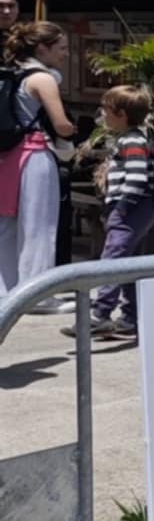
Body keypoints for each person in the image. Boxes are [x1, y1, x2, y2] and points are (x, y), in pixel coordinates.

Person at [60, 85, 154, 342]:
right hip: (133, 209)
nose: (102, 116)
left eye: (105, 111)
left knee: (112, 260)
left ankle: (100, 314)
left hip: (129, 209)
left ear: (122, 114)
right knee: (129, 262)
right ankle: (130, 316)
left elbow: (137, 180)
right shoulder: (131, 139)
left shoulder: (133, 141)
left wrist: (121, 209)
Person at [0, 19, 77, 308]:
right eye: (61, 48)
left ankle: (6, 292)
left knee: (6, 224)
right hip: (34, 154)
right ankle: (39, 295)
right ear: (43, 48)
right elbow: (61, 124)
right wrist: (72, 130)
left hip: (6, 155)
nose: (65, 54)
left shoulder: (12, 73)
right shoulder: (43, 78)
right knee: (39, 225)